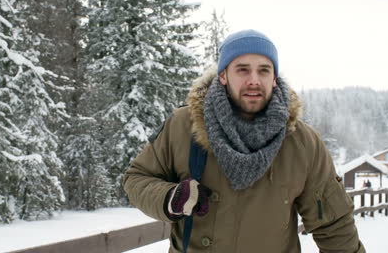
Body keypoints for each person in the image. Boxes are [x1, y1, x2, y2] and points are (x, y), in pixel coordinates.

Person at [123, 29, 365, 252]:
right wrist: (169, 197)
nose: (253, 80)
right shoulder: (183, 126)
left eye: (263, 70)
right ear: (223, 75)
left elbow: (334, 224)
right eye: (242, 69)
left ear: (274, 78)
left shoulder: (302, 142)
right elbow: (136, 179)